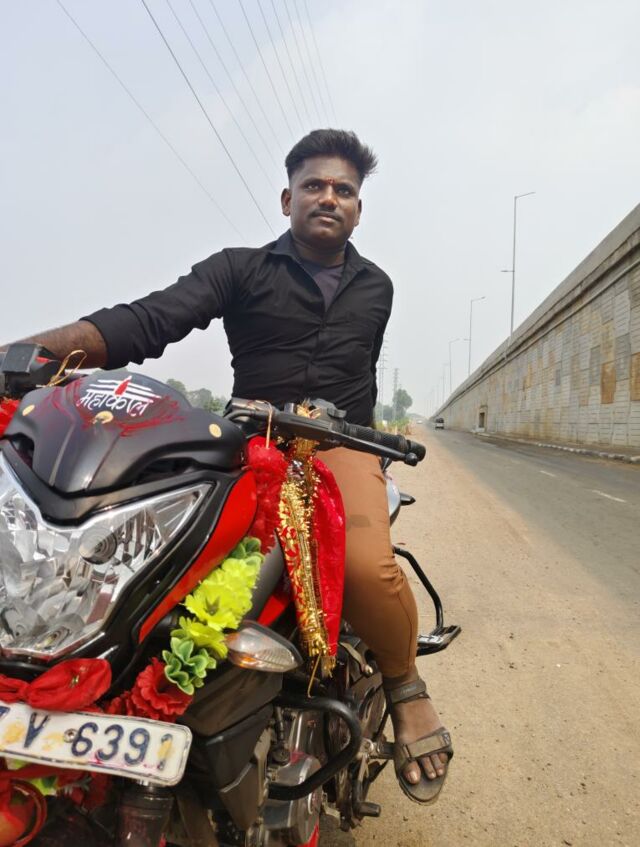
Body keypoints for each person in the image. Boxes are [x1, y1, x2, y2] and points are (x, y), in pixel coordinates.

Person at [2, 129, 452, 804]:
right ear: (287, 198)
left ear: (358, 209)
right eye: (314, 185)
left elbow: (358, 372)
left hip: (340, 447)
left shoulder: (376, 287)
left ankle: (406, 687)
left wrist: (365, 444)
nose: (328, 197)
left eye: (344, 189)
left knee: (365, 567)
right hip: (251, 444)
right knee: (147, 555)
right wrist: (25, 353)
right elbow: (146, 321)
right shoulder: (238, 270)